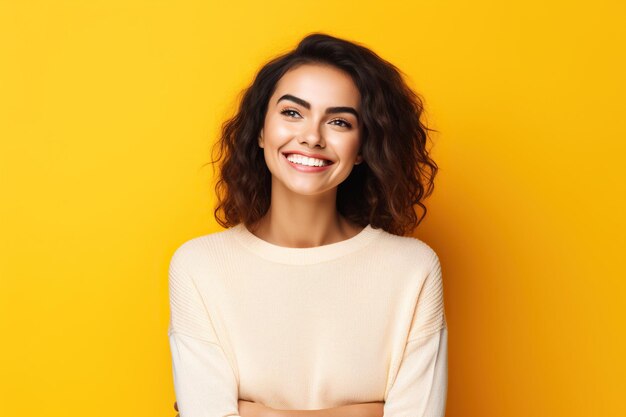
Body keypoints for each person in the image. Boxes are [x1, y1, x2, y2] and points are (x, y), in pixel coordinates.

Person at [167, 32, 447, 417]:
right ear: (261, 131)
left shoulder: (412, 269)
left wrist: (259, 412)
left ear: (363, 147)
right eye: (292, 112)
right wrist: (366, 412)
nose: (312, 136)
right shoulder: (199, 266)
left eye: (339, 122)